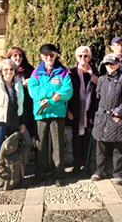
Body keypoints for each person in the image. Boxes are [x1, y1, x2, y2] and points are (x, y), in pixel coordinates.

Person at [28, 44, 73, 187]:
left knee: (57, 145)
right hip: (41, 113)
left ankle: (58, 174)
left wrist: (51, 101)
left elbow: (67, 91)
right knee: (41, 145)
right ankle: (40, 173)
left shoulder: (63, 72)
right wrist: (52, 95)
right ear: (41, 56)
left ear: (56, 55)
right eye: (45, 55)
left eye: (51, 55)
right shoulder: (36, 72)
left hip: (57, 112)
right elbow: (33, 91)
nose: (48, 58)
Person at [91, 54, 122, 185]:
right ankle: (101, 170)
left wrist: (120, 110)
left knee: (118, 147)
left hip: (117, 118)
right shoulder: (101, 80)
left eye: (112, 64)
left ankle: (118, 172)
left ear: (117, 64)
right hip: (102, 118)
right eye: (107, 64)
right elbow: (98, 97)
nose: (109, 67)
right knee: (101, 146)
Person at [0, 59, 26, 192]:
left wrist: (23, 122)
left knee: (14, 149)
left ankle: (13, 176)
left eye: (11, 69)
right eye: (6, 70)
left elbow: (23, 105)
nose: (8, 72)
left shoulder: (18, 84)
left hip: (14, 122)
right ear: (1, 72)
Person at [67, 46, 99, 174]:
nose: (83, 58)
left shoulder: (95, 72)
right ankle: (76, 166)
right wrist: (68, 110)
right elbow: (67, 93)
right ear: (76, 57)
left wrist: (98, 83)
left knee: (87, 139)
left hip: (90, 111)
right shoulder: (72, 73)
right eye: (80, 56)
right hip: (76, 111)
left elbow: (100, 93)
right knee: (76, 140)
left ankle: (86, 166)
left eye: (85, 56)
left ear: (89, 57)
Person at [6, 47, 36, 142]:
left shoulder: (30, 70)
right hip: (12, 110)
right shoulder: (6, 71)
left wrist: (31, 83)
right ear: (9, 57)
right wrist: (22, 86)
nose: (18, 58)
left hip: (28, 107)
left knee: (30, 135)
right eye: (15, 55)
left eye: (20, 55)